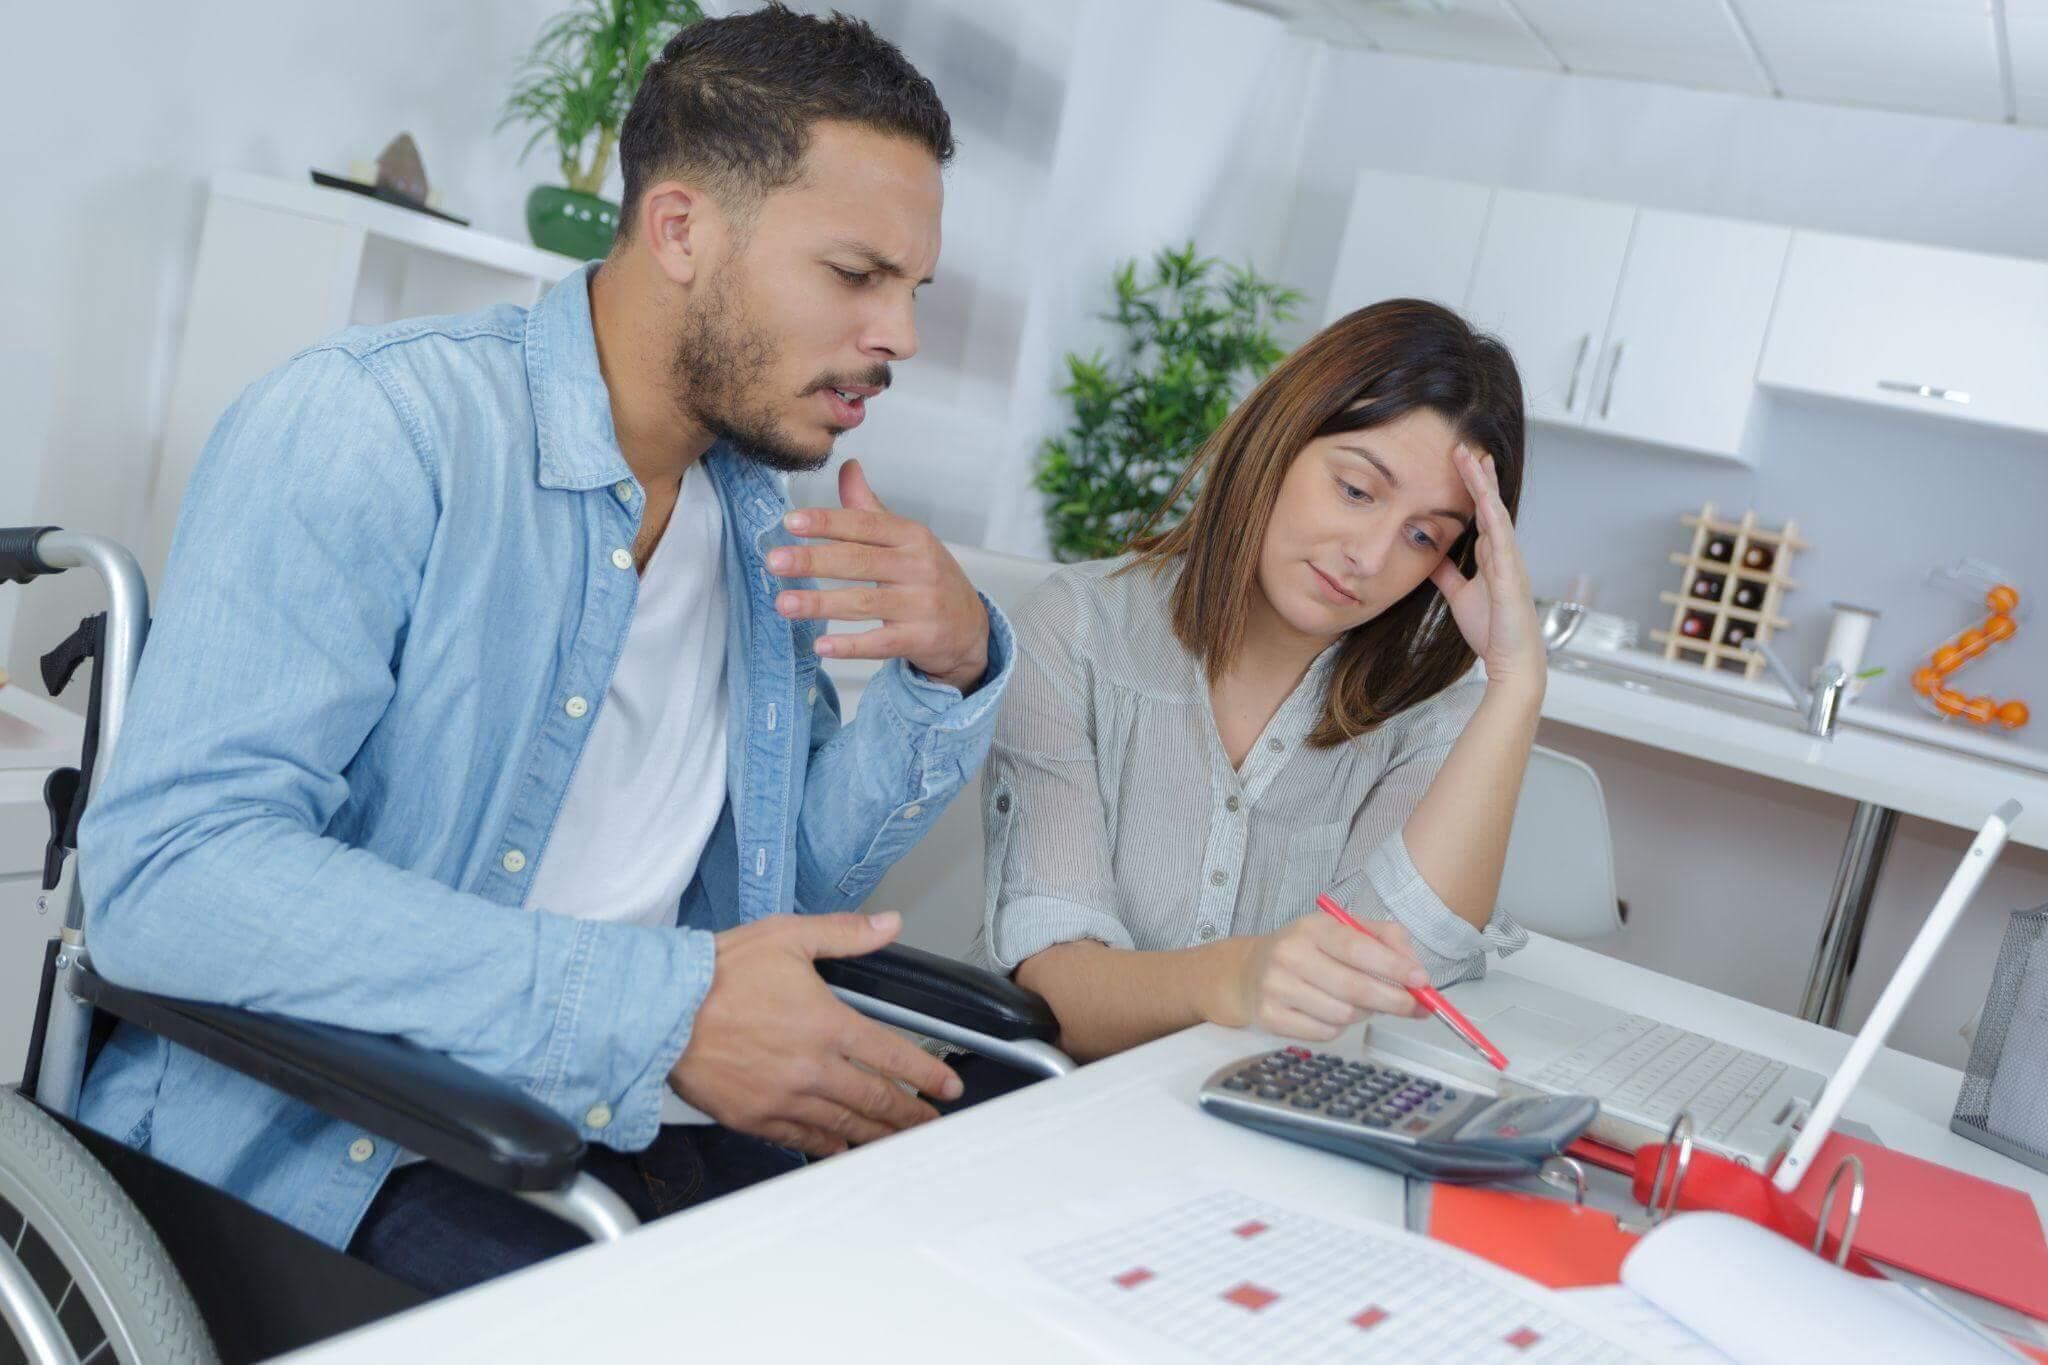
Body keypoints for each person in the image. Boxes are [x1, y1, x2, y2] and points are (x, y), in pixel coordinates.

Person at [77, 5, 1007, 1293]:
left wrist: (945, 671)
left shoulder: (751, 513)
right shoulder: (375, 427)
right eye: (855, 275)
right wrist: (655, 1007)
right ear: (681, 229)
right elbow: (167, 881)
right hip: (357, 1148)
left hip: (639, 1122)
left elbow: (776, 884)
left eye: (913, 289)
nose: (898, 335)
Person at [978, 299, 1537, 1062]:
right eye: (1356, 489)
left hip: (1269, 1135)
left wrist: (1515, 685)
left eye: (1422, 536)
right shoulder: (1074, 633)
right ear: (1280, 440)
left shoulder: (1430, 719)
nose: (1371, 557)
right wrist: (1236, 977)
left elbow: (1398, 975)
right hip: (1064, 1117)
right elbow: (1056, 993)